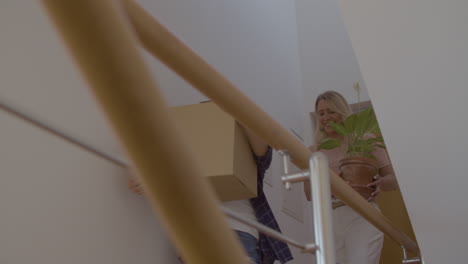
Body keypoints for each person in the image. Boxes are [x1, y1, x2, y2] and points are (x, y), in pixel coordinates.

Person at [129, 126, 293, 264]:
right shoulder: (190, 157)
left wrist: (231, 106)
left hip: (236, 231)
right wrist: (150, 179)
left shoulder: (247, 157)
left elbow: (262, 145)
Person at [305, 91, 397, 264]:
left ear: (342, 111)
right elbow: (309, 194)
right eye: (321, 113)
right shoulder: (314, 151)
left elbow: (392, 181)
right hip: (329, 218)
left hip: (363, 214)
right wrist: (331, 182)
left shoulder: (364, 140)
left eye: (331, 111)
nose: (326, 117)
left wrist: (381, 182)